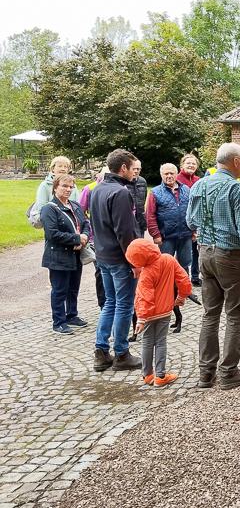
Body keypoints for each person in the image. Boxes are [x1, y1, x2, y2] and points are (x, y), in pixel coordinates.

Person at [187, 143, 240, 390]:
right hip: (230, 257)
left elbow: (191, 221)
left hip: (205, 254)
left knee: (210, 314)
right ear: (235, 162)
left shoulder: (200, 185)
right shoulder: (237, 188)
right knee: (235, 313)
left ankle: (205, 373)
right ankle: (229, 372)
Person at [90, 149, 141, 372]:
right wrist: (134, 262)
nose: (134, 173)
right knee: (123, 305)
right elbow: (125, 232)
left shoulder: (98, 188)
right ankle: (121, 353)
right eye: (132, 168)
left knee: (110, 303)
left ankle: (101, 352)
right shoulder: (120, 192)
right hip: (119, 258)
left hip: (103, 255)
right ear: (123, 168)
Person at [126, 238, 192, 387]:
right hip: (165, 311)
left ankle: (147, 375)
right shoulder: (168, 259)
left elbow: (144, 297)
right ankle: (160, 375)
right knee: (161, 342)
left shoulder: (146, 273)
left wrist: (141, 318)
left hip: (149, 315)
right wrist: (181, 296)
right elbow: (183, 279)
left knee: (147, 342)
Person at [40, 174, 91, 335]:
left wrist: (84, 237)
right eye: (64, 186)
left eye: (71, 187)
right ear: (55, 187)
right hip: (58, 256)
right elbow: (52, 234)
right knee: (59, 289)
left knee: (73, 287)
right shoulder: (49, 208)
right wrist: (76, 238)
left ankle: (72, 315)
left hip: (75, 255)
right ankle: (59, 321)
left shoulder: (75, 205)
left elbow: (86, 223)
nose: (68, 189)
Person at [146, 163, 194, 333]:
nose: (169, 176)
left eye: (171, 173)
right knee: (165, 265)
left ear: (176, 174)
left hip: (185, 234)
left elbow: (192, 210)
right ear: (161, 175)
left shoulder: (186, 190)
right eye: (166, 173)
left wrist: (193, 230)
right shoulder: (155, 193)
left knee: (185, 263)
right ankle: (167, 291)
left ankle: (184, 291)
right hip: (166, 236)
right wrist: (155, 234)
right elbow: (150, 215)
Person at [79, 165, 109, 309]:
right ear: (99, 175)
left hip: (110, 238)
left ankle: (110, 301)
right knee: (101, 270)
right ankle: (103, 303)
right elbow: (81, 211)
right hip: (94, 238)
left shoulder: (118, 187)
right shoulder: (89, 189)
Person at [175, 153, 202, 287]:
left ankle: (195, 276)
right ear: (182, 166)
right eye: (188, 163)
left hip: (197, 220)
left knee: (196, 250)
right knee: (182, 253)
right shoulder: (177, 179)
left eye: (193, 164)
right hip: (182, 221)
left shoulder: (198, 180)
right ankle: (182, 279)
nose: (191, 165)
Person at [127, 159, 148, 237]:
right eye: (134, 168)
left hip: (140, 221)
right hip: (128, 223)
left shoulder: (143, 181)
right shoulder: (123, 182)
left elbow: (144, 201)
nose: (136, 171)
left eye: (138, 169)